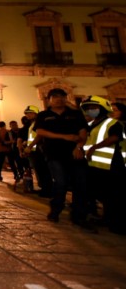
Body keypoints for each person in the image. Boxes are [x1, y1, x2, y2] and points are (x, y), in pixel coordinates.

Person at [33, 88, 95, 232]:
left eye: (62, 96)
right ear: (49, 100)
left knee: (80, 184)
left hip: (75, 154)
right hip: (54, 154)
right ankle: (56, 209)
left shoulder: (75, 115)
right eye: (55, 97)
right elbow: (40, 132)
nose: (59, 99)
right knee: (60, 182)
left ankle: (79, 216)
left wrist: (79, 147)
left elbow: (83, 133)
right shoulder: (44, 115)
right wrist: (64, 137)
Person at [81, 96, 123, 226]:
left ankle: (115, 221)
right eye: (88, 108)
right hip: (94, 164)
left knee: (112, 195)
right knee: (101, 194)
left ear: (103, 108)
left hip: (111, 164)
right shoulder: (89, 124)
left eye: (94, 107)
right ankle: (106, 217)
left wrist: (95, 147)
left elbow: (115, 137)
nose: (90, 110)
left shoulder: (112, 123)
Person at [20, 105, 52, 197]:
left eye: (29, 113)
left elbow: (39, 136)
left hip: (38, 150)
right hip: (33, 150)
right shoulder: (33, 123)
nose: (27, 115)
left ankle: (47, 190)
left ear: (35, 113)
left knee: (43, 170)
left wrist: (30, 146)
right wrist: (27, 143)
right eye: (26, 114)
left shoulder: (39, 122)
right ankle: (44, 188)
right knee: (39, 171)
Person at [107, 102, 126, 234]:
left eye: (115, 110)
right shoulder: (109, 124)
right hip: (112, 161)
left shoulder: (121, 125)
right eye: (111, 110)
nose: (113, 112)